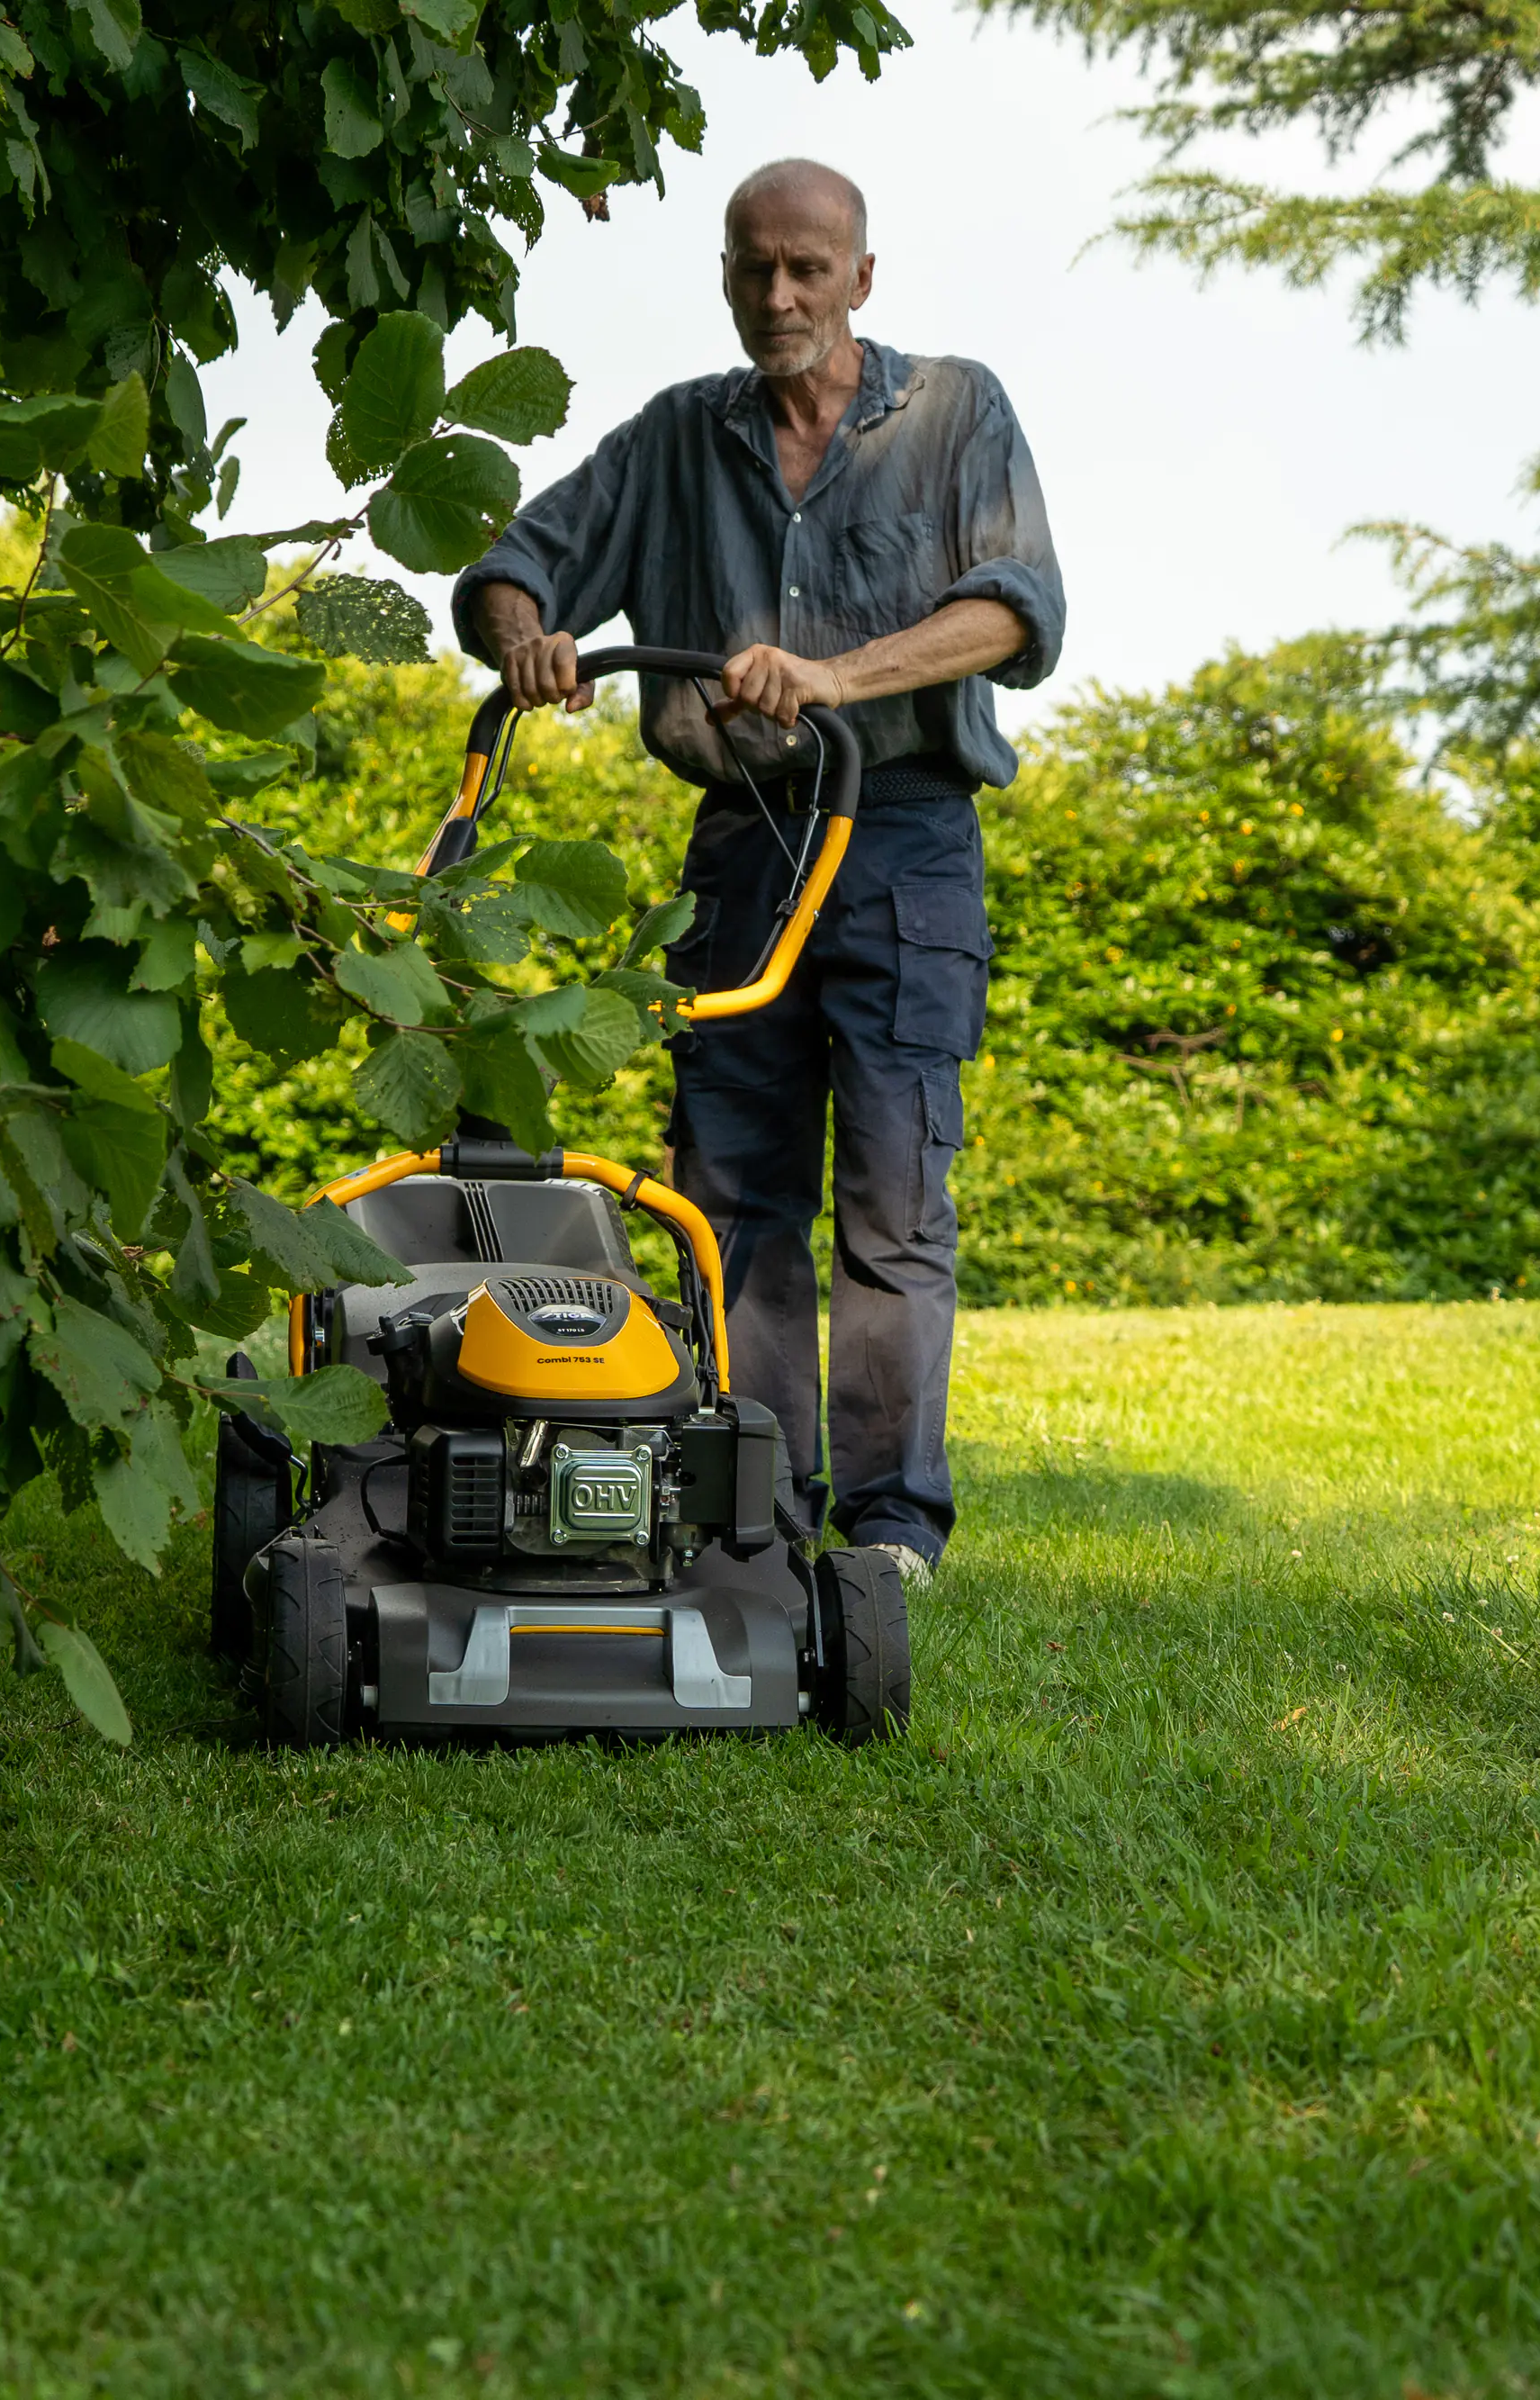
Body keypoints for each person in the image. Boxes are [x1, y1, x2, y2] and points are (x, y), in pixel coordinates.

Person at [453, 157, 1065, 1585]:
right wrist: (524, 634)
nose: (778, 294)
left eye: (806, 267)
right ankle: (756, 1511)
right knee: (733, 1200)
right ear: (726, 279)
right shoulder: (677, 439)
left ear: (861, 276)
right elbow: (511, 563)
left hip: (900, 835)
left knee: (894, 1204)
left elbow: (1014, 612)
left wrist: (834, 675)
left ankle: (892, 1530)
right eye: (752, 268)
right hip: (739, 855)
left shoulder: (955, 411)